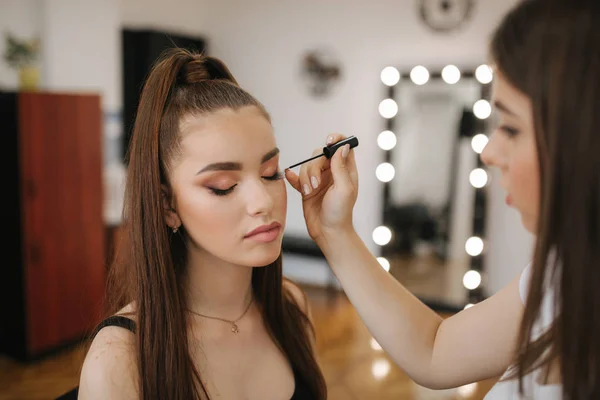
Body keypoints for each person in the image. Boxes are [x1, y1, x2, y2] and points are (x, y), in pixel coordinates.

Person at [285, 0, 600, 398]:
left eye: (511, 128)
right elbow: (435, 350)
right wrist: (336, 233)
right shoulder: (562, 272)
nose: (488, 152)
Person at [76, 48, 326, 400]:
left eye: (269, 174)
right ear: (167, 205)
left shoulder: (292, 306)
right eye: (223, 186)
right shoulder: (119, 357)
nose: (263, 202)